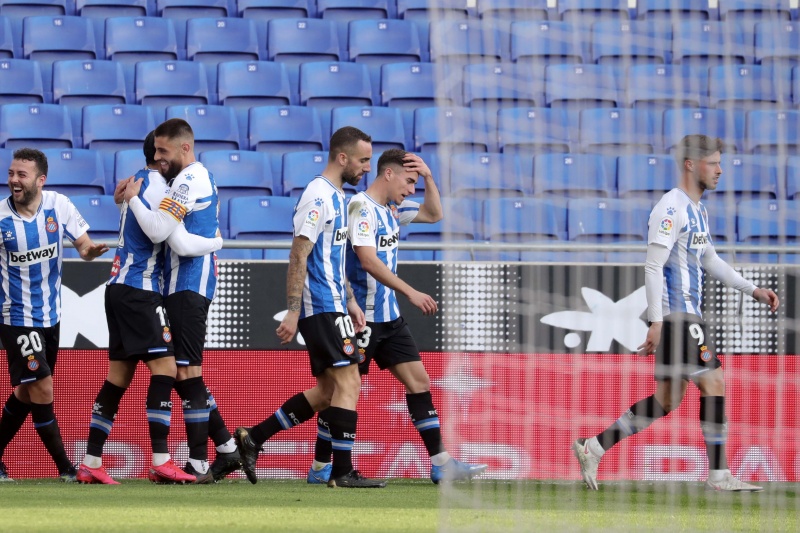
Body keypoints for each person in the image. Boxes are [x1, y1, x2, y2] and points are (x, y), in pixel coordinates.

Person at [572, 134, 780, 492]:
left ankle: (594, 447)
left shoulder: (697, 209)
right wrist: (657, 320)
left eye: (719, 163)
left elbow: (710, 259)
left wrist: (753, 290)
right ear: (690, 164)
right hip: (678, 316)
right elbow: (653, 266)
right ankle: (720, 475)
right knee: (714, 381)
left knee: (667, 399)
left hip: (682, 316)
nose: (719, 170)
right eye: (713, 163)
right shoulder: (671, 208)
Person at [307, 148, 488, 485]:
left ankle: (441, 463)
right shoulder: (360, 207)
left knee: (419, 382)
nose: (411, 189)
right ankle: (320, 467)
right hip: (362, 319)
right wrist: (411, 292)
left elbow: (434, 214)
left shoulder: (393, 209)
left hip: (390, 318)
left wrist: (429, 176)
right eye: (409, 181)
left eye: (416, 183)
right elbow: (367, 260)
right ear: (388, 174)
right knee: (336, 391)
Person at [235, 126, 385, 488]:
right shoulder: (318, 196)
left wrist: (351, 300)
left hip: (334, 303)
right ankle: (342, 472)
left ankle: (253, 437)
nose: (367, 167)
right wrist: (293, 310)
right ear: (342, 157)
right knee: (350, 381)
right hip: (319, 304)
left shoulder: (339, 197)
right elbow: (298, 254)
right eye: (363, 160)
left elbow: (331, 257)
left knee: (327, 393)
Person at [77, 132, 223, 485]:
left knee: (118, 377)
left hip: (117, 286)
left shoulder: (137, 183)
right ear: (158, 157)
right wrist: (217, 241)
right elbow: (163, 234)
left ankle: (91, 461)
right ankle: (161, 459)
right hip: (140, 289)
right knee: (167, 368)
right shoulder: (157, 187)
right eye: (160, 152)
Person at [121, 119, 242, 484]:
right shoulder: (187, 177)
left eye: (164, 151)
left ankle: (200, 463)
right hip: (181, 285)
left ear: (184, 148)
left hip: (188, 285)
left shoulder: (188, 180)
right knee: (183, 373)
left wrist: (133, 200)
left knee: (187, 372)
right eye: (155, 151)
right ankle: (227, 448)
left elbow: (175, 240)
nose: (158, 157)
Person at [0, 148, 109, 482]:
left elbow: (84, 246)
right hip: (16, 317)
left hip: (51, 317)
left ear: (40, 180)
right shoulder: (1, 218)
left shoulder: (58, 205)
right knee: (43, 389)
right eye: (11, 173)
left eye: (22, 174)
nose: (14, 180)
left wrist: (90, 251)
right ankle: (66, 469)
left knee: (26, 392)